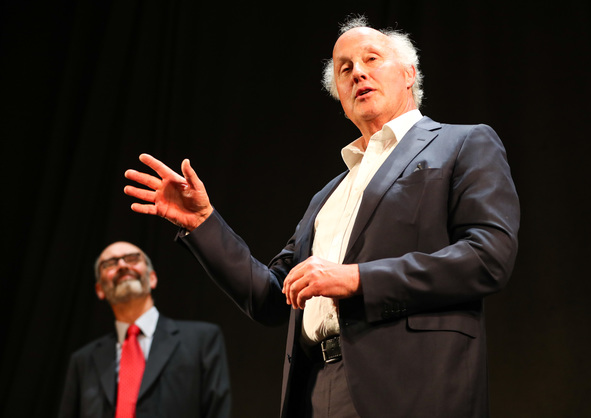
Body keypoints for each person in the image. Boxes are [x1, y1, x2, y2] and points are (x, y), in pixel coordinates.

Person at [123, 15, 520, 418]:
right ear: (341, 98)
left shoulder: (462, 143)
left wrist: (357, 278)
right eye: (344, 69)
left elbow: (488, 257)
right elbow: (272, 298)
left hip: (414, 386)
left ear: (408, 73)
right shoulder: (329, 195)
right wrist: (203, 223)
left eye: (371, 59)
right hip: (316, 389)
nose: (357, 73)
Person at [58, 241, 231, 418]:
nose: (122, 265)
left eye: (132, 259)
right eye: (110, 263)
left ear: (152, 278)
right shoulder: (83, 361)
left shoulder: (201, 340)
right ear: (99, 289)